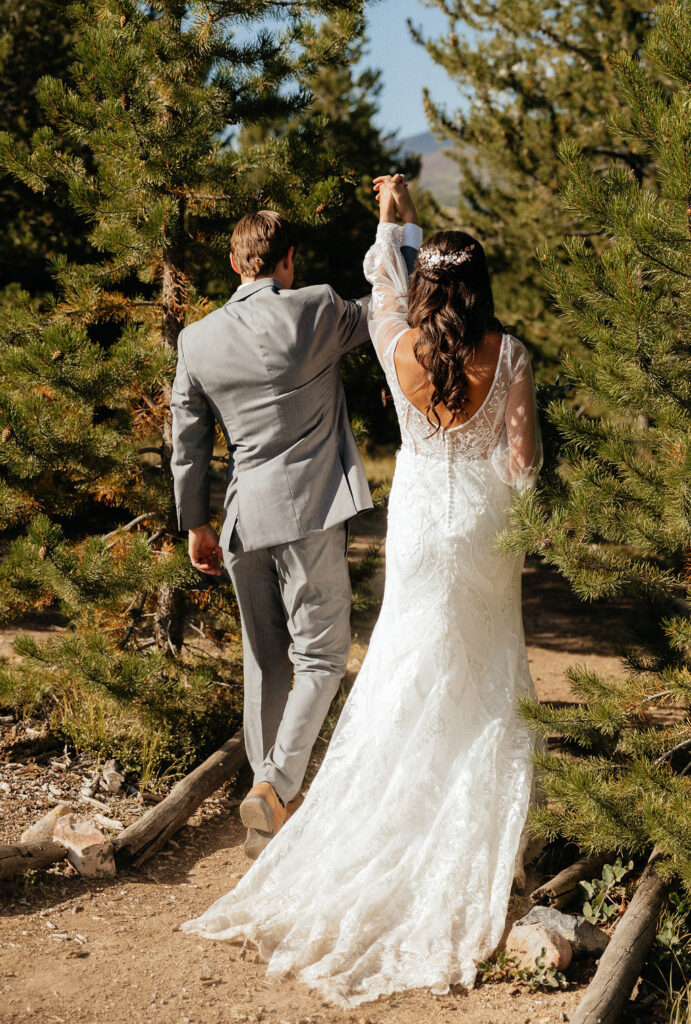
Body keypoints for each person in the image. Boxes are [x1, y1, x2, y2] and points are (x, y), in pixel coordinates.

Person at [182, 177, 543, 1007]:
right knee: (479, 670)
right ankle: (442, 817)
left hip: (400, 530)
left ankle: (319, 796)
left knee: (394, 670)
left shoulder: (397, 342)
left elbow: (382, 283)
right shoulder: (510, 354)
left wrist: (394, 226)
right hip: (478, 531)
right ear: (481, 288)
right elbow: (518, 472)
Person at [170, 209, 422, 860]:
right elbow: (391, 301)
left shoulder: (195, 340)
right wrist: (400, 229)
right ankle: (275, 786)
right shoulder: (314, 309)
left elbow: (188, 442)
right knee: (322, 656)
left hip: (240, 517)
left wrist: (195, 521)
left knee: (265, 660)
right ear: (288, 260)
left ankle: (268, 801)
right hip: (309, 511)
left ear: (234, 263)